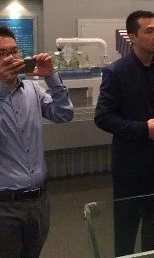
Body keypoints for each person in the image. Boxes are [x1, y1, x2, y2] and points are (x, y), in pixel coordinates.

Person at [94, 10, 154, 256]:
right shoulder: (116, 71)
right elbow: (103, 117)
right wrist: (144, 129)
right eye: (150, 31)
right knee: (126, 226)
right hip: (130, 164)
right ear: (132, 37)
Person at [0, 27, 73, 258]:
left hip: (39, 201)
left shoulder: (32, 88)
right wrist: (2, 87)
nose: (10, 58)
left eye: (14, 51)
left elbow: (63, 114)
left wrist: (51, 76)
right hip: (4, 207)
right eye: (2, 53)